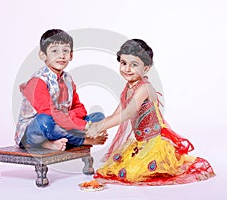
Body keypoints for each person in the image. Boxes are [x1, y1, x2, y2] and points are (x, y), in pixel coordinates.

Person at [85, 39, 215, 185]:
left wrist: (99, 127)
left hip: (154, 144)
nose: (127, 69)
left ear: (146, 68)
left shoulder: (143, 88)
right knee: (117, 168)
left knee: (135, 173)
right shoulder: (129, 88)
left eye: (134, 65)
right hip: (140, 143)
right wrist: (97, 126)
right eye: (123, 63)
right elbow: (117, 114)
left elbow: (127, 114)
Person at [14, 29, 107, 151]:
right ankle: (83, 140)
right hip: (36, 131)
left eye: (65, 51)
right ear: (43, 55)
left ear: (71, 55)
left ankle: (54, 142)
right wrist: (86, 127)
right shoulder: (37, 81)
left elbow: (79, 108)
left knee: (98, 117)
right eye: (54, 51)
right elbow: (50, 114)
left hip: (63, 124)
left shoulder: (67, 79)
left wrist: (69, 117)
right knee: (46, 121)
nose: (61, 55)